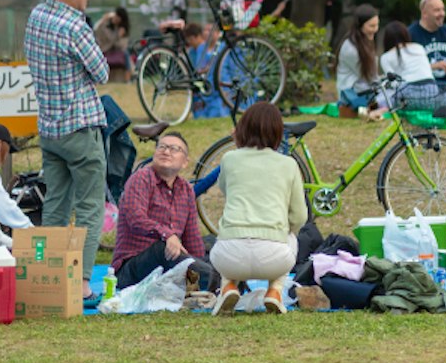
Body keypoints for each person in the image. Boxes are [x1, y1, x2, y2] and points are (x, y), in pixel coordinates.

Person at [24, 0, 108, 299]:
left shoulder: (36, 15)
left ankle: (48, 275)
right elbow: (102, 73)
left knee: (56, 203)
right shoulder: (75, 26)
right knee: (90, 206)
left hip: (49, 128)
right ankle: (83, 281)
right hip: (80, 126)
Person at [209, 102, 307, 315]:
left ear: (242, 128)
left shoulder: (229, 159)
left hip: (229, 257)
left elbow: (226, 189)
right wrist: (287, 231)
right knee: (291, 237)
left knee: (223, 236)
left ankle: (228, 286)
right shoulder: (289, 164)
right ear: (278, 132)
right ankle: (275, 291)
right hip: (275, 257)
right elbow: (300, 216)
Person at [112, 130, 216, 291]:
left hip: (168, 266)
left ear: (185, 162)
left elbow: (192, 239)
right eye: (162, 147)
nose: (166, 151)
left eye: (174, 149)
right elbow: (135, 219)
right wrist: (167, 235)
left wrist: (202, 260)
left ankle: (222, 279)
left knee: (214, 244)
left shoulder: (185, 190)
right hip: (132, 271)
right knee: (163, 248)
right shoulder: (141, 178)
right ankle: (221, 283)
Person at [378, 21, 446, 111]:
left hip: (408, 99)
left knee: (382, 95)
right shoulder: (418, 47)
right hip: (432, 94)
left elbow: (393, 84)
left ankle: (375, 111)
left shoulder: (385, 57)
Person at [409, 0, 446, 79]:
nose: (442, 14)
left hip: (445, 87)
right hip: (420, 89)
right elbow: (408, 67)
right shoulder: (411, 33)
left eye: (443, 9)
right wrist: (434, 66)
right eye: (437, 10)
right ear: (424, 13)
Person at [336, 6, 381, 111]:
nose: (375, 29)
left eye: (377, 25)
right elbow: (370, 78)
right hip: (350, 95)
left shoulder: (365, 41)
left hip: (363, 89)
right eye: (371, 26)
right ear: (360, 25)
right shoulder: (351, 49)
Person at [94, 7, 131, 81]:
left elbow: (122, 45)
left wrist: (120, 36)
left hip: (116, 51)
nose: (115, 19)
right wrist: (117, 35)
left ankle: (128, 79)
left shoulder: (122, 29)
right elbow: (108, 38)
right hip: (104, 49)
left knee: (126, 54)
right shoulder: (106, 24)